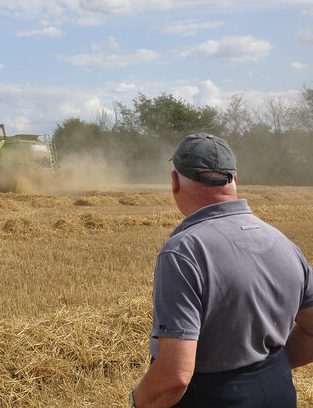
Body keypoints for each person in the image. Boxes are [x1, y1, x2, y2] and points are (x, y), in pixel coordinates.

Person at [130, 133, 313, 407]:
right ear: (234, 180)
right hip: (278, 392)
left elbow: (175, 376)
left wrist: (137, 402)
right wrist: (266, 372)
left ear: (175, 181)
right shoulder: (283, 243)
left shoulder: (183, 252)